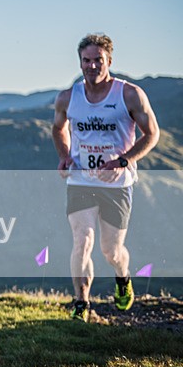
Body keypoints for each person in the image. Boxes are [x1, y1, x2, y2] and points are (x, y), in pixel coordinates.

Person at [52, 33, 159, 320]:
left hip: (117, 184)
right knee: (82, 241)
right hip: (81, 180)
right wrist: (65, 155)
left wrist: (124, 161)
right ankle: (81, 304)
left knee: (111, 250)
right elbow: (58, 128)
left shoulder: (129, 94)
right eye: (86, 60)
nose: (92, 66)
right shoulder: (68, 97)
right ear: (79, 62)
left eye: (98, 60)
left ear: (109, 61)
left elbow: (152, 134)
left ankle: (123, 278)